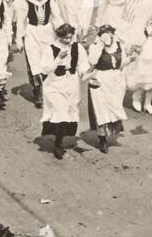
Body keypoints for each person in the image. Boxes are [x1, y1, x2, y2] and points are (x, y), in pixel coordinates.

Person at [41, 23, 82, 159]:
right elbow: (46, 69)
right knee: (60, 111)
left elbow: (83, 64)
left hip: (71, 83)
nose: (68, 41)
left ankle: (60, 139)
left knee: (69, 111)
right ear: (59, 36)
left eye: (70, 38)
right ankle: (58, 144)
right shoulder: (50, 49)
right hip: (55, 84)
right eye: (65, 38)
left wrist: (85, 73)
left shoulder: (77, 47)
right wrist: (58, 58)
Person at [86, 23, 128, 153]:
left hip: (115, 81)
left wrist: (130, 59)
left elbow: (122, 63)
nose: (108, 37)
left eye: (110, 34)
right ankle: (102, 140)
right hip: (100, 80)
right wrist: (101, 45)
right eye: (105, 34)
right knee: (102, 110)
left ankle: (109, 135)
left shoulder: (119, 45)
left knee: (113, 109)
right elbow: (92, 61)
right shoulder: (95, 46)